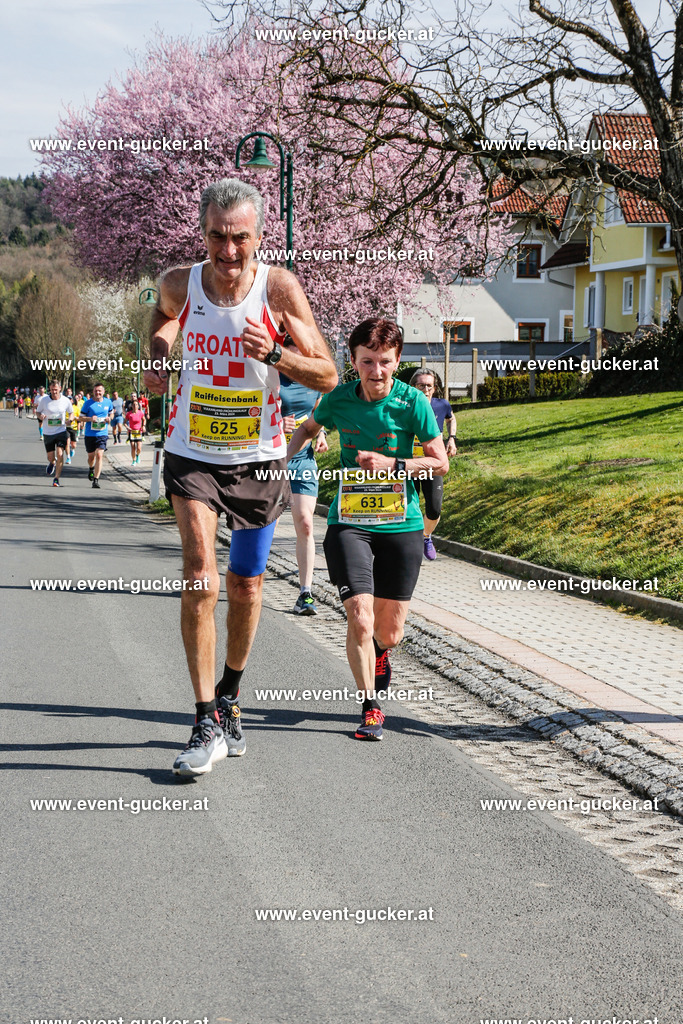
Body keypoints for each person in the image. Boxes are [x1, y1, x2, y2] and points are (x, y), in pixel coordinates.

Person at [143, 177, 337, 777]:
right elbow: (163, 313)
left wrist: (276, 354)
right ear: (203, 235)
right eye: (218, 238)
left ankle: (229, 696)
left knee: (247, 586)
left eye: (240, 239)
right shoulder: (181, 281)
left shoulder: (279, 289)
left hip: (258, 456)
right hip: (193, 451)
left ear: (260, 235)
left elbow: (328, 374)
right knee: (200, 574)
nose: (228, 251)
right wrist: (156, 350)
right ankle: (203, 718)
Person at [288, 318, 448, 741]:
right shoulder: (338, 398)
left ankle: (379, 655)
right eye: (367, 362)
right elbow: (308, 428)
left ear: (397, 362)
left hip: (402, 522)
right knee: (359, 616)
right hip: (350, 523)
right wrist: (279, 462)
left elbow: (440, 463)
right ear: (353, 361)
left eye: (385, 363)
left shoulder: (413, 401)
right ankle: (371, 706)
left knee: (388, 631)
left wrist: (394, 464)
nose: (376, 372)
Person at [279, 335, 328, 615]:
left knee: (306, 525)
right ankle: (249, 581)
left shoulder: (315, 384)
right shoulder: (270, 378)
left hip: (303, 462)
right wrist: (274, 422)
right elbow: (250, 414)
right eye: (291, 356)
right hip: (271, 464)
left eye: (302, 357)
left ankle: (305, 593)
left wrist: (321, 434)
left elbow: (317, 418)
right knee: (262, 526)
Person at [409, 369, 457, 560]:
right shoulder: (405, 406)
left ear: (434, 388)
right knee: (406, 507)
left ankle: (426, 537)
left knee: (434, 508)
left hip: (432, 465)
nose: (426, 389)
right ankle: (408, 544)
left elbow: (451, 418)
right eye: (421, 385)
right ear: (413, 387)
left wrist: (451, 438)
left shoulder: (441, 405)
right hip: (409, 465)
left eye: (429, 386)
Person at [35, 380, 73, 487]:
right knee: (50, 457)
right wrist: (40, 416)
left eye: (56, 390)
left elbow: (71, 413)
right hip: (48, 432)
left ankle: (56, 479)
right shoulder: (44, 400)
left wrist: (70, 420)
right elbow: (38, 412)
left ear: (60, 388)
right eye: (52, 390)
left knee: (60, 454)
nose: (54, 392)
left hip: (61, 431)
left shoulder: (65, 400)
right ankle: (52, 462)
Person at [79, 383, 114, 488]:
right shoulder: (88, 403)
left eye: (99, 391)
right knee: (91, 457)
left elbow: (112, 412)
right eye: (96, 391)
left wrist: (110, 418)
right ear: (93, 392)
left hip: (102, 433)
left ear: (103, 392)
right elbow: (80, 418)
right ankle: (91, 468)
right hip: (90, 434)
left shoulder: (108, 402)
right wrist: (90, 419)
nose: (97, 393)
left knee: (99, 455)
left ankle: (96, 480)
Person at [125, 398, 146, 465]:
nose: (135, 406)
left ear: (138, 406)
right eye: (133, 404)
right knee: (133, 446)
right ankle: (134, 460)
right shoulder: (129, 414)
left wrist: (143, 426)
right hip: (132, 432)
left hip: (139, 432)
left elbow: (144, 419)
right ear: (132, 406)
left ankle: (138, 455)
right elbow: (124, 422)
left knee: (139, 447)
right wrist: (128, 428)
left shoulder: (140, 413)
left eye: (136, 404)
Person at [65, 391, 82, 463]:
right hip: (66, 428)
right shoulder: (64, 408)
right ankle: (68, 457)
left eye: (70, 399)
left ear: (72, 400)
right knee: (67, 442)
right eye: (67, 399)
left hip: (74, 428)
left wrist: (78, 431)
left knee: (73, 445)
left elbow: (79, 419)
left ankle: (72, 449)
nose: (69, 400)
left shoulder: (76, 408)